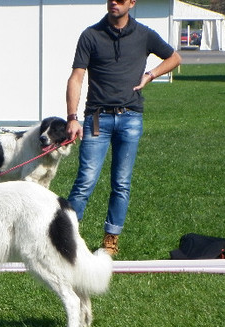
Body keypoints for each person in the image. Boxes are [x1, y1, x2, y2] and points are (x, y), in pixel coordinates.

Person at [64, 0, 181, 256]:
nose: (113, 3)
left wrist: (150, 75)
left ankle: (110, 240)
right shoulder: (91, 35)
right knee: (85, 180)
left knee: (121, 183)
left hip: (130, 118)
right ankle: (66, 235)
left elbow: (174, 57)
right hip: (97, 118)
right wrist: (72, 117)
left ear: (132, 3)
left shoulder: (144, 35)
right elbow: (76, 76)